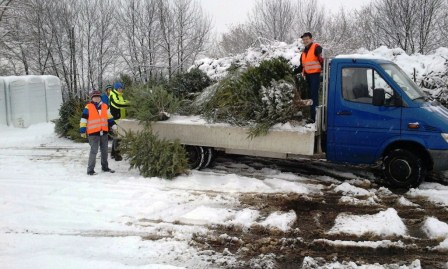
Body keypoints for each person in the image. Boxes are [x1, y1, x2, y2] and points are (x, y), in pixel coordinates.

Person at [80, 90, 117, 175]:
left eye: (98, 97)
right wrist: (82, 129)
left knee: (104, 151)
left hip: (103, 132)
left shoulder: (105, 106)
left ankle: (105, 167)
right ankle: (90, 170)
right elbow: (83, 119)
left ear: (100, 98)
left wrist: (113, 125)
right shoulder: (88, 107)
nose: (96, 98)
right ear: (92, 98)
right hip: (93, 134)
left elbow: (110, 117)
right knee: (94, 151)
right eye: (94, 97)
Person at [297, 32, 323, 123]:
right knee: (310, 96)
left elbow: (321, 57)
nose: (305, 41)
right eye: (303, 39)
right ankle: (312, 116)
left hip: (315, 75)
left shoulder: (316, 47)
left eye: (307, 39)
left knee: (313, 96)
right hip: (308, 76)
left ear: (311, 39)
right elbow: (301, 66)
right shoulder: (303, 53)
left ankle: (314, 118)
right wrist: (291, 72)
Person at [109, 82, 130, 161]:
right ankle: (117, 154)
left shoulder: (120, 95)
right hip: (116, 119)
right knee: (118, 137)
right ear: (116, 88)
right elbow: (117, 104)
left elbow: (122, 104)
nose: (121, 90)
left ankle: (113, 153)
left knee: (116, 137)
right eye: (120, 88)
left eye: (121, 88)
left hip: (121, 119)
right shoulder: (113, 95)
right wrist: (129, 103)